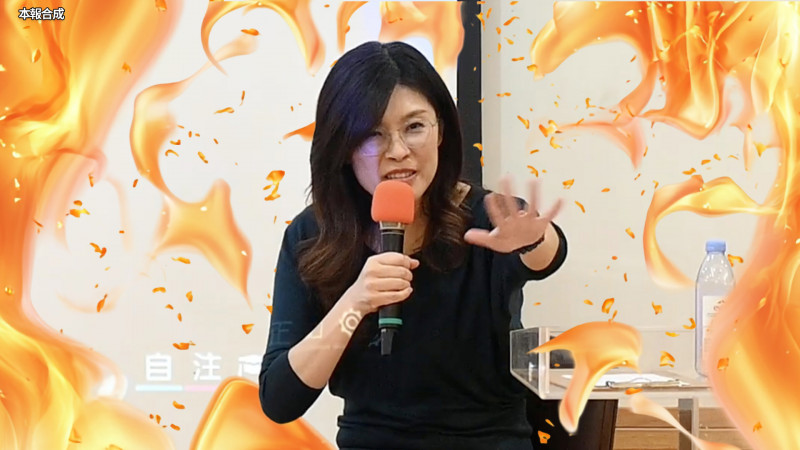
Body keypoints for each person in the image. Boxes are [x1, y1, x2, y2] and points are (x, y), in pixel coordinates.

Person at [259, 40, 567, 450]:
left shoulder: (487, 218)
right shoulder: (313, 235)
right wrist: (355, 303)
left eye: (415, 127)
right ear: (343, 147)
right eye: (373, 134)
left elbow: (547, 255)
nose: (399, 152)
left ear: (441, 131)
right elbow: (280, 399)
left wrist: (535, 241)